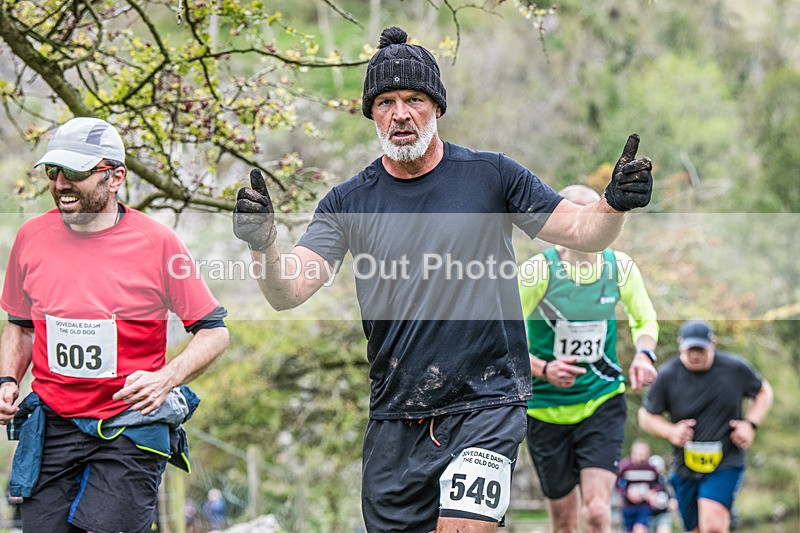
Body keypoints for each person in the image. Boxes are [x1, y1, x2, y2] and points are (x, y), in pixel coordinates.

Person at [233, 26, 653, 533]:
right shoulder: (348, 203)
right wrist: (263, 244)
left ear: (436, 107)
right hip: (396, 416)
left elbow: (584, 232)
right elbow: (288, 290)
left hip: (487, 403)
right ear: (372, 114)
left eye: (414, 99)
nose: (400, 113)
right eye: (386, 102)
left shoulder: (492, 176)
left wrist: (613, 204)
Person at [0, 117, 229, 533]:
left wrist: (166, 379)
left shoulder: (157, 242)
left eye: (76, 173)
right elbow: (20, 326)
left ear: (115, 176)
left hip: (129, 424)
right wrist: (7, 380)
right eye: (54, 172)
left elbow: (214, 331)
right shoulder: (31, 237)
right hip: (53, 422)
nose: (61, 184)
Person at [518, 184, 658, 533]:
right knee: (565, 523)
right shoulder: (538, 272)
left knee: (597, 512)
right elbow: (502, 335)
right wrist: (543, 368)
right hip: (544, 409)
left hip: (601, 400)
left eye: (594, 215)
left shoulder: (619, 267)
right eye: (575, 217)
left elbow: (644, 318)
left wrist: (644, 354)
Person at [638, 319, 773, 533]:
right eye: (690, 349)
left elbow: (763, 392)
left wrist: (750, 424)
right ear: (680, 344)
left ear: (712, 343)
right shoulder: (668, 374)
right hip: (685, 466)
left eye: (700, 349)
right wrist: (670, 431)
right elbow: (645, 416)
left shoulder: (734, 368)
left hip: (725, 460)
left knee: (712, 526)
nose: (695, 355)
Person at [616, 440, 660, 533]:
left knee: (639, 529)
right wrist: (626, 493)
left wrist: (652, 492)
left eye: (643, 454)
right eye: (638, 454)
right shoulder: (625, 467)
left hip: (644, 506)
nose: (641, 458)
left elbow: (659, 483)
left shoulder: (651, 468)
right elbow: (617, 483)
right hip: (628, 506)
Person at [646, 454, 676, 533]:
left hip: (663, 513)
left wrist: (671, 502)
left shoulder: (665, 481)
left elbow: (672, 496)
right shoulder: (645, 481)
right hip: (647, 515)